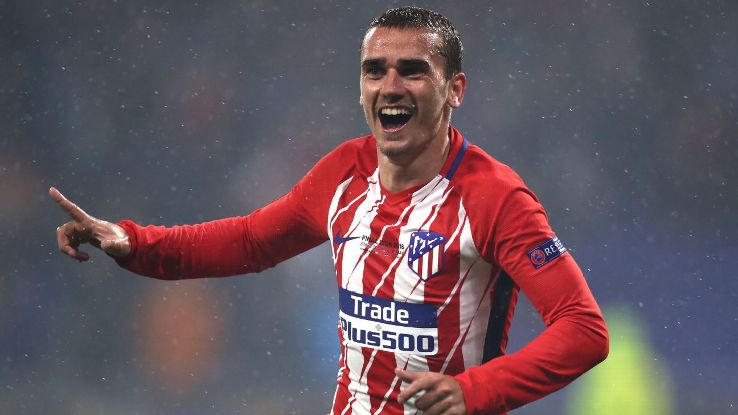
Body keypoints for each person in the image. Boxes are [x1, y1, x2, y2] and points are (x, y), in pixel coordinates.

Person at [51, 6, 608, 415]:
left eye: (412, 70)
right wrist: (133, 241)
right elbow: (250, 241)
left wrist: (473, 390)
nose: (390, 86)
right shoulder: (345, 171)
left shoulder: (495, 198)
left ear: (455, 89)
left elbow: (584, 330)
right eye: (374, 70)